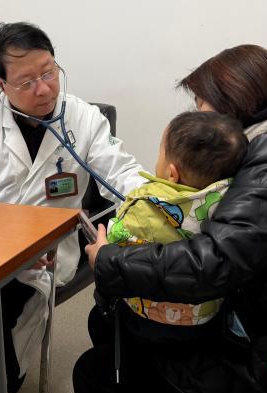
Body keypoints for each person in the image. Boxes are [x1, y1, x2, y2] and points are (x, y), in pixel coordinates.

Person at [74, 44, 267, 393]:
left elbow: (213, 262)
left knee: (94, 371)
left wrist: (109, 260)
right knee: (111, 321)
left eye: (201, 104)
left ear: (234, 100)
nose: (199, 116)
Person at [0, 22, 143, 393]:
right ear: (1, 84)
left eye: (48, 72)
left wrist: (158, 201)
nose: (44, 88)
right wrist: (4, 240)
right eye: (27, 82)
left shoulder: (83, 118)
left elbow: (121, 172)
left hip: (49, 253)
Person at [106, 110, 247, 340]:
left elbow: (117, 238)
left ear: (172, 174)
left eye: (161, 152)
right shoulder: (232, 200)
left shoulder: (146, 204)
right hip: (206, 314)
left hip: (151, 314)